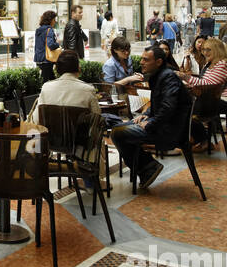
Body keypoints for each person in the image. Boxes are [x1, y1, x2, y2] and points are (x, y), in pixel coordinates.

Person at [110, 44, 192, 189]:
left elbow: (168, 108)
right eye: (141, 59)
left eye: (146, 60)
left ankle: (147, 167)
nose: (141, 62)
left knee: (118, 133)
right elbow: (158, 105)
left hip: (169, 132)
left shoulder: (168, 77)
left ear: (159, 62)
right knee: (117, 128)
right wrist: (145, 115)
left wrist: (150, 122)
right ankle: (147, 166)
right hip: (161, 126)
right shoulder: (159, 76)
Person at [29, 49, 100, 123]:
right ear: (78, 67)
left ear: (57, 69)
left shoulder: (46, 88)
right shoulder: (88, 90)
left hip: (50, 134)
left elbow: (36, 120)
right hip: (80, 134)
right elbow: (97, 120)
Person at [33, 10, 59, 83]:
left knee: (49, 79)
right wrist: (58, 44)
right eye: (54, 19)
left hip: (39, 59)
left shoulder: (38, 30)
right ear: (50, 20)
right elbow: (50, 45)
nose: (55, 22)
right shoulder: (49, 30)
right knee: (47, 81)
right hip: (47, 59)